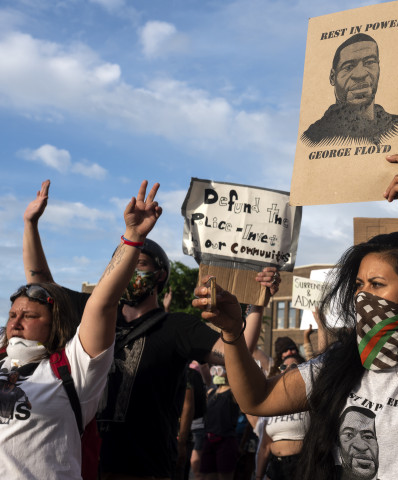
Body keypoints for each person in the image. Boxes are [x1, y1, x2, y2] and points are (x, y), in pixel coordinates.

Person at [193, 153, 398, 480]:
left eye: (377, 285)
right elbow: (257, 399)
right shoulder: (337, 364)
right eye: (359, 285)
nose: (363, 295)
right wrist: (233, 333)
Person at [21, 179, 281, 479]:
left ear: (159, 277)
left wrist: (257, 305)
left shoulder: (178, 327)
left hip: (146, 466)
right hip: (84, 462)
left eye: (140, 264)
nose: (131, 272)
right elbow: (40, 287)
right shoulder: (95, 314)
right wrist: (30, 224)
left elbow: (239, 350)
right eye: (126, 264)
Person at [1, 180, 161, 479]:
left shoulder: (72, 369)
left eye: (28, 315)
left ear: (55, 324)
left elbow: (101, 304)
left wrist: (132, 236)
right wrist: (29, 223)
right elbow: (39, 281)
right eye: (11, 315)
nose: (14, 323)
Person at [301, 33, 398, 147]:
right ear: (333, 77)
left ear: (379, 68)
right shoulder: (313, 138)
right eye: (348, 67)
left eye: (369, 63)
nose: (360, 74)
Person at [253, 353, 309, 480]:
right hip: (275, 466)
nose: (288, 369)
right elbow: (264, 446)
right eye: (284, 366)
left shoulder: (309, 401)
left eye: (293, 366)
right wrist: (258, 476)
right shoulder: (273, 404)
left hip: (302, 464)